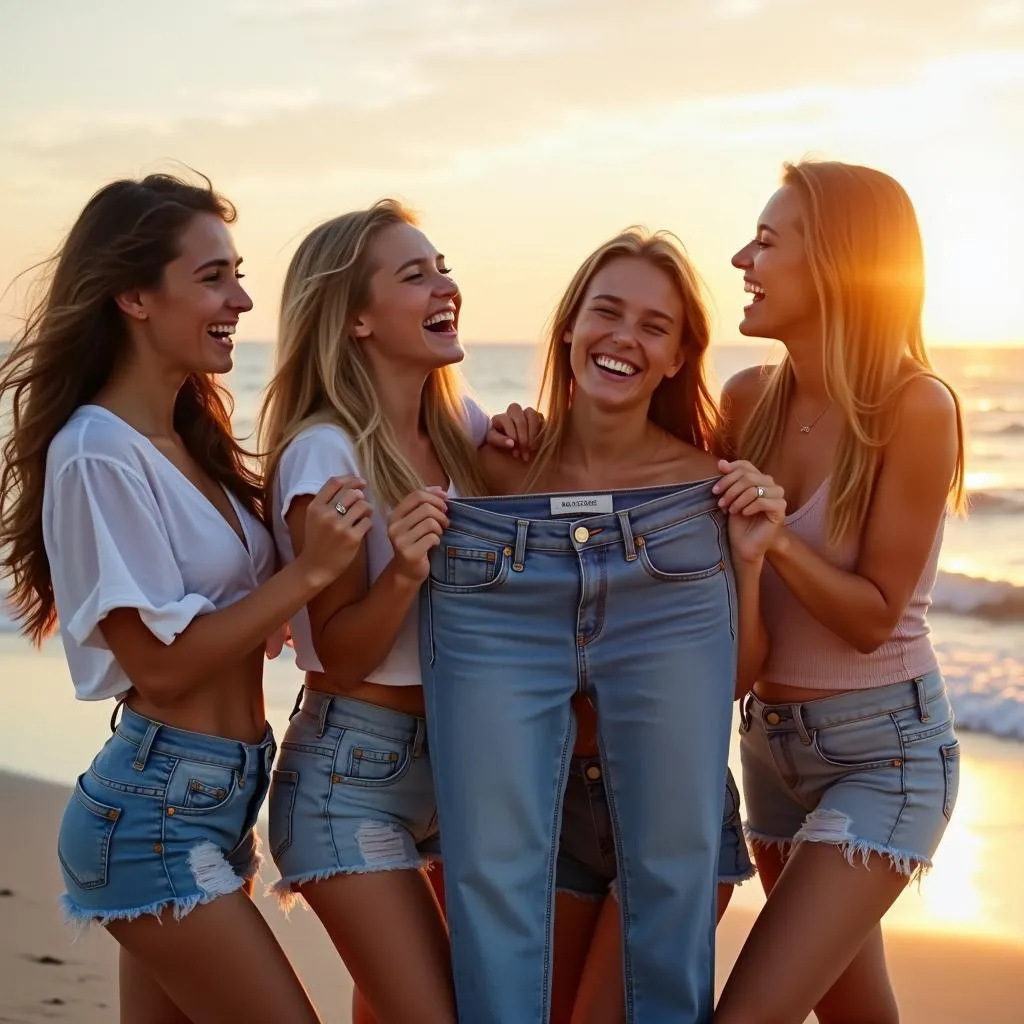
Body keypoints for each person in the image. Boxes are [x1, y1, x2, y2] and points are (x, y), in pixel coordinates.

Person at [0, 173, 365, 1022]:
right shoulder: (97, 452)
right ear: (133, 295)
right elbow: (159, 671)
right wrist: (304, 575)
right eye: (212, 278)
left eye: (237, 275)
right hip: (155, 812)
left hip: (216, 799)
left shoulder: (190, 444)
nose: (240, 299)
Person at [419, 227, 784, 1023]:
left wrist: (750, 564)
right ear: (570, 328)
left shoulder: (704, 490)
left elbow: (733, 682)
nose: (624, 338)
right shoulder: (498, 467)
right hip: (539, 813)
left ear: (680, 356)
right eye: (606, 313)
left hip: (669, 816)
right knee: (496, 946)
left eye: (654, 327)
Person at [257, 198, 541, 1024]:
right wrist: (405, 571)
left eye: (441, 267)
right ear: (355, 321)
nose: (444, 285)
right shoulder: (325, 451)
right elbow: (340, 657)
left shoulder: (459, 425)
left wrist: (525, 457)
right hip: (352, 776)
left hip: (456, 765)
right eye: (414, 275)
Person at [713, 160, 966, 1024]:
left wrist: (776, 536)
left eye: (768, 241)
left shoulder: (915, 406)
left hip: (885, 756)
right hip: (773, 752)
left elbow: (871, 618)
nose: (742, 257)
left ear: (836, 264)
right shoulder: (745, 399)